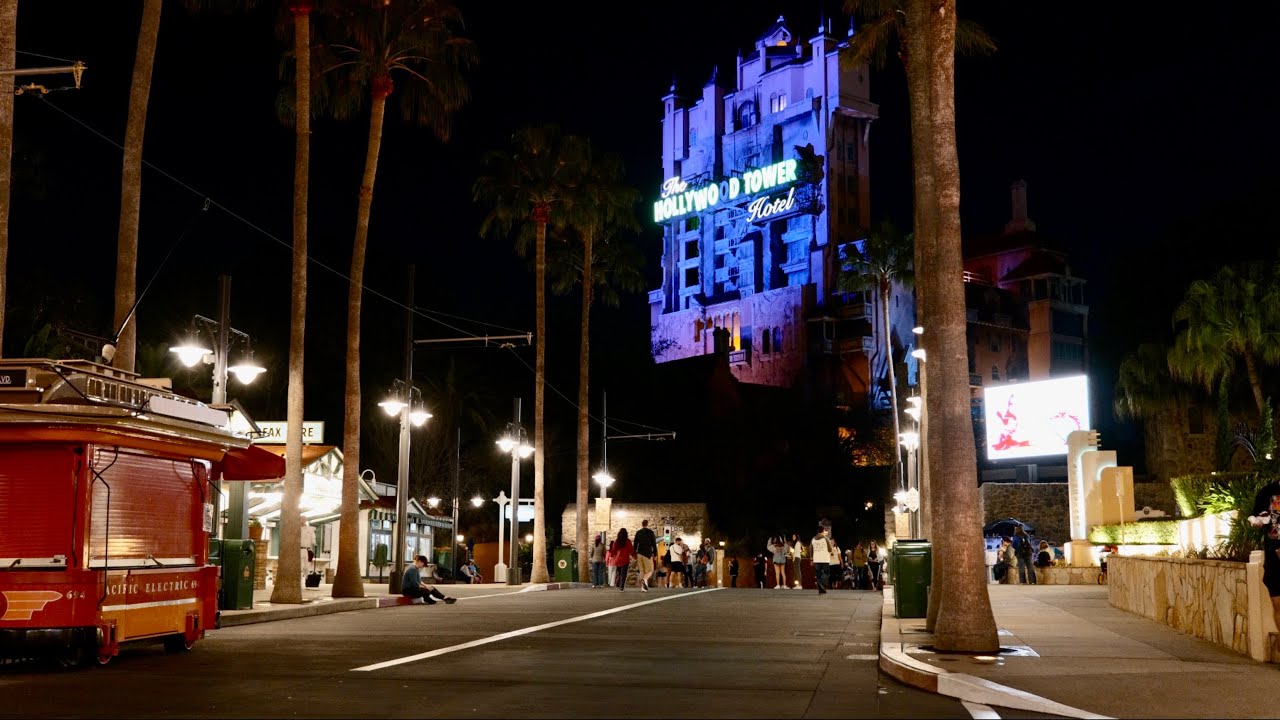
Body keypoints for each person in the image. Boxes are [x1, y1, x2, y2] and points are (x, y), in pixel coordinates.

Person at [1247, 477, 1280, 632]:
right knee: (1278, 603)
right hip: (1275, 557)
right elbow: (1255, 516)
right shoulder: (1268, 492)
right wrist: (1256, 521)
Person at [633, 519, 658, 591]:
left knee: (642, 571)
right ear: (647, 524)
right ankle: (645, 579)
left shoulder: (638, 532)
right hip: (647, 553)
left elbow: (635, 543)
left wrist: (634, 553)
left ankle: (643, 587)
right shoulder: (650, 532)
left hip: (639, 553)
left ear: (642, 524)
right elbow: (653, 544)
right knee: (650, 570)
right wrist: (655, 554)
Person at [810, 526, 834, 595]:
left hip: (816, 559)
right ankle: (821, 583)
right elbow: (830, 549)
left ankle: (821, 588)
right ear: (823, 531)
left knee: (818, 574)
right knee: (827, 573)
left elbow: (810, 549)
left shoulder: (813, 539)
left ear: (817, 531)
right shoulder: (826, 538)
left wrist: (811, 559)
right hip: (825, 558)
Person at [299, 516, 316, 582]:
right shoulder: (297, 529)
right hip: (299, 550)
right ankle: (299, 582)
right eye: (301, 519)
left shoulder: (310, 529)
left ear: (306, 520)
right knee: (300, 567)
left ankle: (307, 579)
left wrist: (314, 542)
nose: (302, 520)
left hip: (307, 550)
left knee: (306, 566)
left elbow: (313, 537)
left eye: (304, 519)